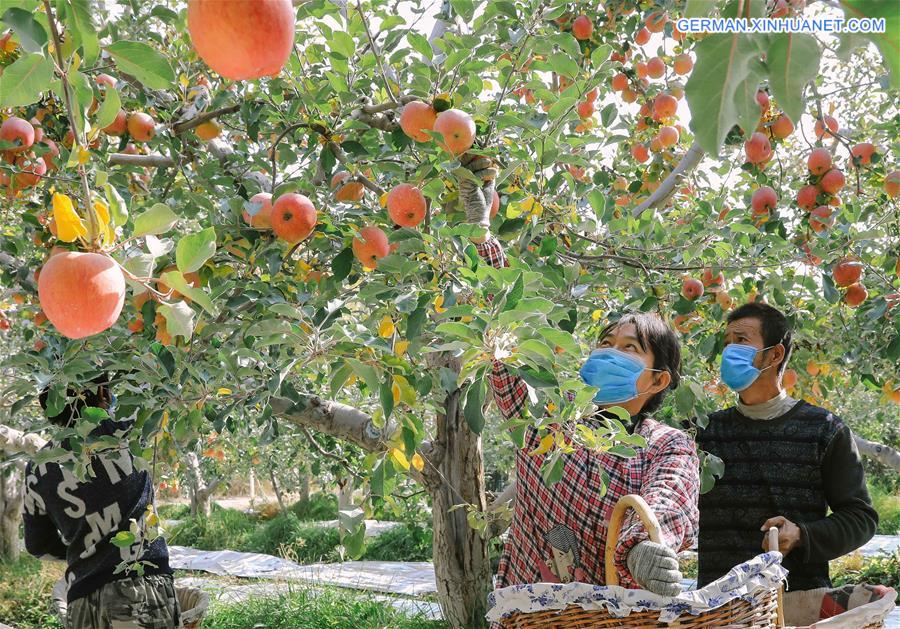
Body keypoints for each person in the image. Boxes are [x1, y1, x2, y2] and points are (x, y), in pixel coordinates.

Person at [457, 155, 700, 596]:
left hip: (614, 621)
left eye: (629, 349)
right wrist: (482, 232)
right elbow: (501, 329)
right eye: (605, 344)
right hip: (530, 616)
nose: (609, 354)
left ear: (659, 380)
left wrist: (646, 548)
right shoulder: (545, 421)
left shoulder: (666, 446)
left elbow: (668, 499)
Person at [697, 303, 878, 608]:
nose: (729, 352)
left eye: (741, 341)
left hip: (795, 605)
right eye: (726, 343)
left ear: (775, 354)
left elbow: (861, 518)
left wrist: (802, 534)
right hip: (715, 608)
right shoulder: (703, 431)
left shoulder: (825, 430)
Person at [23, 374, 180, 628]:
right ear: (104, 394)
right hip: (140, 589)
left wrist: (86, 547)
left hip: (83, 599)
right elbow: (160, 383)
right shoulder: (128, 429)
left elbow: (37, 544)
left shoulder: (37, 468)